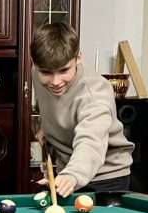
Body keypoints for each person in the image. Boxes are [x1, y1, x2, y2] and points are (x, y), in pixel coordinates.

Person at [30, 22, 134, 197]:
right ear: (35, 63)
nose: (55, 81)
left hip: (106, 178)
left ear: (78, 57)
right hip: (66, 173)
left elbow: (91, 141)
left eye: (64, 70)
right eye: (46, 73)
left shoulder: (94, 92)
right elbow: (53, 105)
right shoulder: (36, 72)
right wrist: (46, 127)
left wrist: (72, 175)